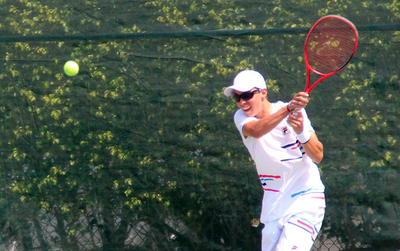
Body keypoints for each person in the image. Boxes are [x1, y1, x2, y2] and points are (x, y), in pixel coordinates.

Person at [224, 69, 325, 251]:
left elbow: (317, 155)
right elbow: (256, 130)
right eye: (237, 98)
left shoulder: (296, 113)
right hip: (273, 208)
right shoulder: (241, 118)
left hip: (306, 200)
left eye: (246, 95)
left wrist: (301, 132)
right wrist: (288, 109)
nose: (242, 102)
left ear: (263, 93)